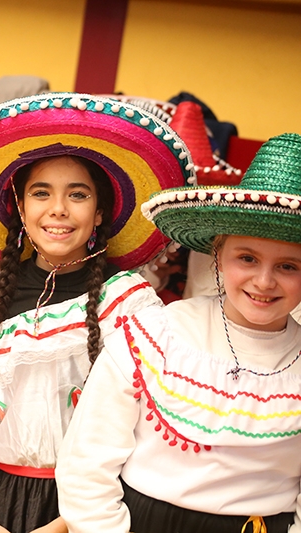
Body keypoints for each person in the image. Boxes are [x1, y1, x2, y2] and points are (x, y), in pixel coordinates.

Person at [0, 93, 191, 533]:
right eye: (41, 193)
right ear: (20, 207)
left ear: (101, 212)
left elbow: (139, 433)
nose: (58, 209)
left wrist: (64, 524)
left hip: (85, 510)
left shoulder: (128, 301)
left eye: (77, 194)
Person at [56, 132, 301, 533]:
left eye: (288, 266)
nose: (264, 280)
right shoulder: (155, 335)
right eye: (247, 258)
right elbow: (87, 462)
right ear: (218, 255)